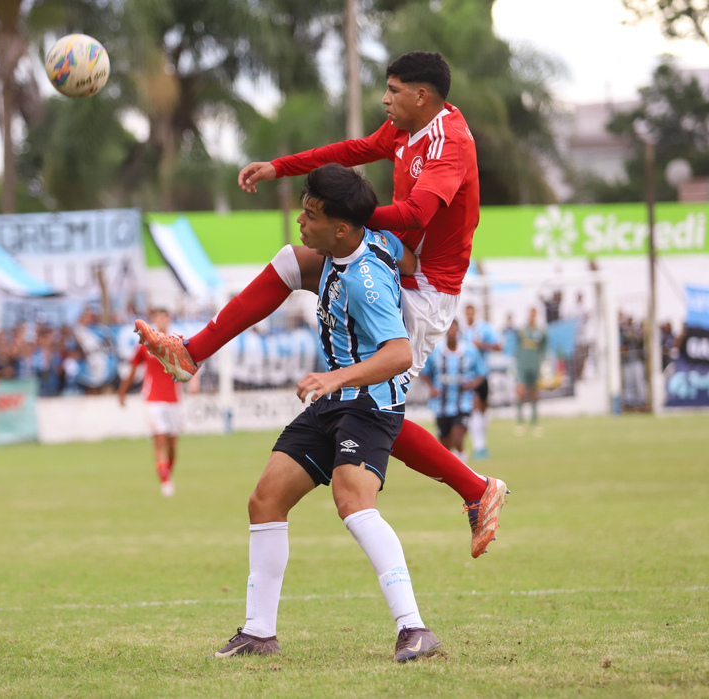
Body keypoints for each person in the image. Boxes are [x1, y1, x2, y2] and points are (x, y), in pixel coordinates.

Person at [136, 51, 508, 560]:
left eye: (394, 90)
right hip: (398, 261)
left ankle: (475, 488)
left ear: (422, 95)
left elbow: (419, 210)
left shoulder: (450, 144)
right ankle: (191, 351)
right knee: (294, 260)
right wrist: (280, 168)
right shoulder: (405, 129)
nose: (385, 99)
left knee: (380, 412)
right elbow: (352, 151)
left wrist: (341, 215)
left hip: (425, 289)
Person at [210, 165, 440, 662]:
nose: (300, 221)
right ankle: (258, 633)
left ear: (340, 229)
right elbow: (408, 256)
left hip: (369, 402)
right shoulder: (368, 242)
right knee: (266, 500)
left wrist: (334, 377)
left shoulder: (365, 282)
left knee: (353, 502)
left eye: (310, 215)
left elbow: (399, 353)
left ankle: (414, 629)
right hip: (335, 399)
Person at [119, 308, 182, 496]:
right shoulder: (146, 344)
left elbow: (192, 364)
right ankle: (165, 481)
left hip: (174, 399)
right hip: (153, 399)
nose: (161, 320)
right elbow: (132, 369)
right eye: (157, 317)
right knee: (160, 440)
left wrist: (194, 382)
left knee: (172, 445)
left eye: (165, 316)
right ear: (153, 320)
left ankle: (166, 473)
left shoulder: (177, 343)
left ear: (169, 319)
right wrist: (122, 392)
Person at [419, 319, 486, 463]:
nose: (451, 332)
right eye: (448, 329)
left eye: (454, 329)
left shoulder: (470, 351)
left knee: (458, 436)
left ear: (459, 331)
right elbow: (424, 371)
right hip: (441, 404)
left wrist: (472, 384)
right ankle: (451, 470)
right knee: (445, 443)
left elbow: (481, 373)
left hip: (463, 402)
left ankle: (463, 465)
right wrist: (432, 388)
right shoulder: (436, 351)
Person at [460, 304, 500, 459]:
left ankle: (483, 442)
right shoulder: (460, 330)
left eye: (472, 312)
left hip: (482, 374)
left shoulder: (484, 328)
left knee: (483, 409)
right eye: (467, 312)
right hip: (467, 377)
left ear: (474, 313)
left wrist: (481, 345)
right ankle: (479, 446)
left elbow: (498, 346)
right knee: (474, 407)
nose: (469, 315)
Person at [515, 307, 547, 436]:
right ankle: (520, 422)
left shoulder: (541, 332)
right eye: (531, 313)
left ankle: (534, 423)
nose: (532, 316)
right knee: (521, 392)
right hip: (522, 365)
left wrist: (543, 362)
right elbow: (516, 346)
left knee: (534, 394)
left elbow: (544, 347)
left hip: (535, 365)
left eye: (535, 313)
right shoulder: (522, 331)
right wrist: (516, 362)